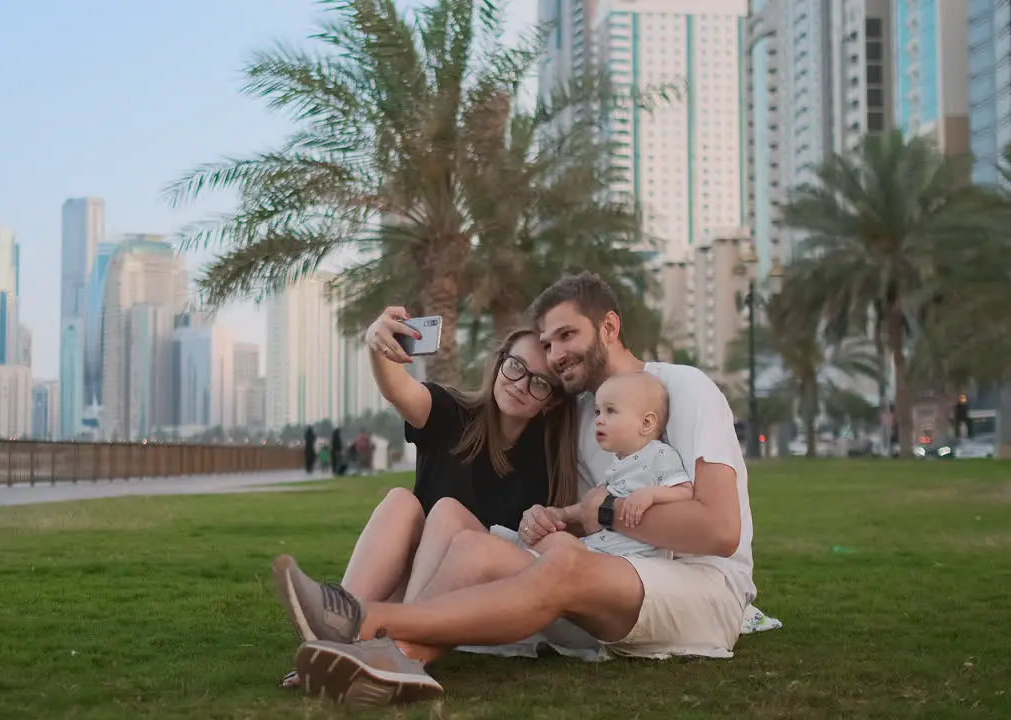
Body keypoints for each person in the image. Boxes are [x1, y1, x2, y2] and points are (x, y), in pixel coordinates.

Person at [274, 273, 755, 707]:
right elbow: (577, 520)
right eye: (548, 342)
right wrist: (553, 518)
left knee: (566, 560)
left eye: (568, 335)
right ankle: (395, 659)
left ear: (610, 326)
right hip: (606, 579)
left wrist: (598, 515)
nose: (557, 353)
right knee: (470, 542)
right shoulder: (580, 416)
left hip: (697, 588)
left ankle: (361, 620)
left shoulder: (682, 389)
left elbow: (719, 530)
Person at [274, 307, 580, 689]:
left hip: (470, 591)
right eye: (516, 367)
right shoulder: (453, 413)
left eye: (539, 382)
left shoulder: (547, 459)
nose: (520, 384)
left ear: (549, 400)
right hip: (413, 581)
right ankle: (331, 642)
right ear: (499, 363)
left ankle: (397, 650)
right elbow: (398, 389)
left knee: (448, 512)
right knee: (403, 500)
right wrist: (378, 345)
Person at [501, 370, 692, 561]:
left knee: (554, 545)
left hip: (633, 558)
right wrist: (563, 513)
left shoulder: (659, 454)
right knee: (550, 542)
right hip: (602, 548)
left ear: (647, 423)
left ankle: (511, 547)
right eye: (598, 412)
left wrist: (650, 495)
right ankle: (511, 548)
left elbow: (685, 492)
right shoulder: (618, 464)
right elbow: (589, 506)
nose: (599, 420)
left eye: (611, 411)